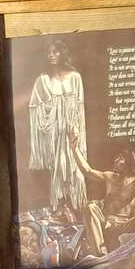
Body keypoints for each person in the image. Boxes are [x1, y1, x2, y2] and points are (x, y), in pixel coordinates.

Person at [69, 131, 135, 257]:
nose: (115, 160)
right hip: (106, 226)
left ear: (129, 163)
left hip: (123, 228)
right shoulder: (110, 177)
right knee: (90, 208)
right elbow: (88, 171)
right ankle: (101, 255)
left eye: (120, 159)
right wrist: (74, 149)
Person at [28, 41, 87, 216]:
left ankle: (76, 204)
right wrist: (51, 115)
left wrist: (75, 126)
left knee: (75, 165)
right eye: (49, 52)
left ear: (62, 53)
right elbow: (35, 107)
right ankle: (60, 204)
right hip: (54, 131)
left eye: (55, 52)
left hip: (72, 129)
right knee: (58, 166)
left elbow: (79, 106)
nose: (52, 55)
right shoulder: (43, 80)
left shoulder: (75, 77)